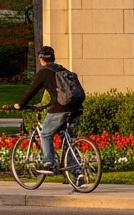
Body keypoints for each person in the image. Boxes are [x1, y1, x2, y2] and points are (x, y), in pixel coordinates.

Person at [12, 46, 85, 175]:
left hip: (61, 108)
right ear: (53, 58)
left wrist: (20, 104)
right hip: (76, 107)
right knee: (67, 140)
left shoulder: (44, 72)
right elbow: (59, 92)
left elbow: (32, 90)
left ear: (41, 59)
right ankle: (77, 173)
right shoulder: (62, 69)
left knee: (45, 134)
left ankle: (49, 162)